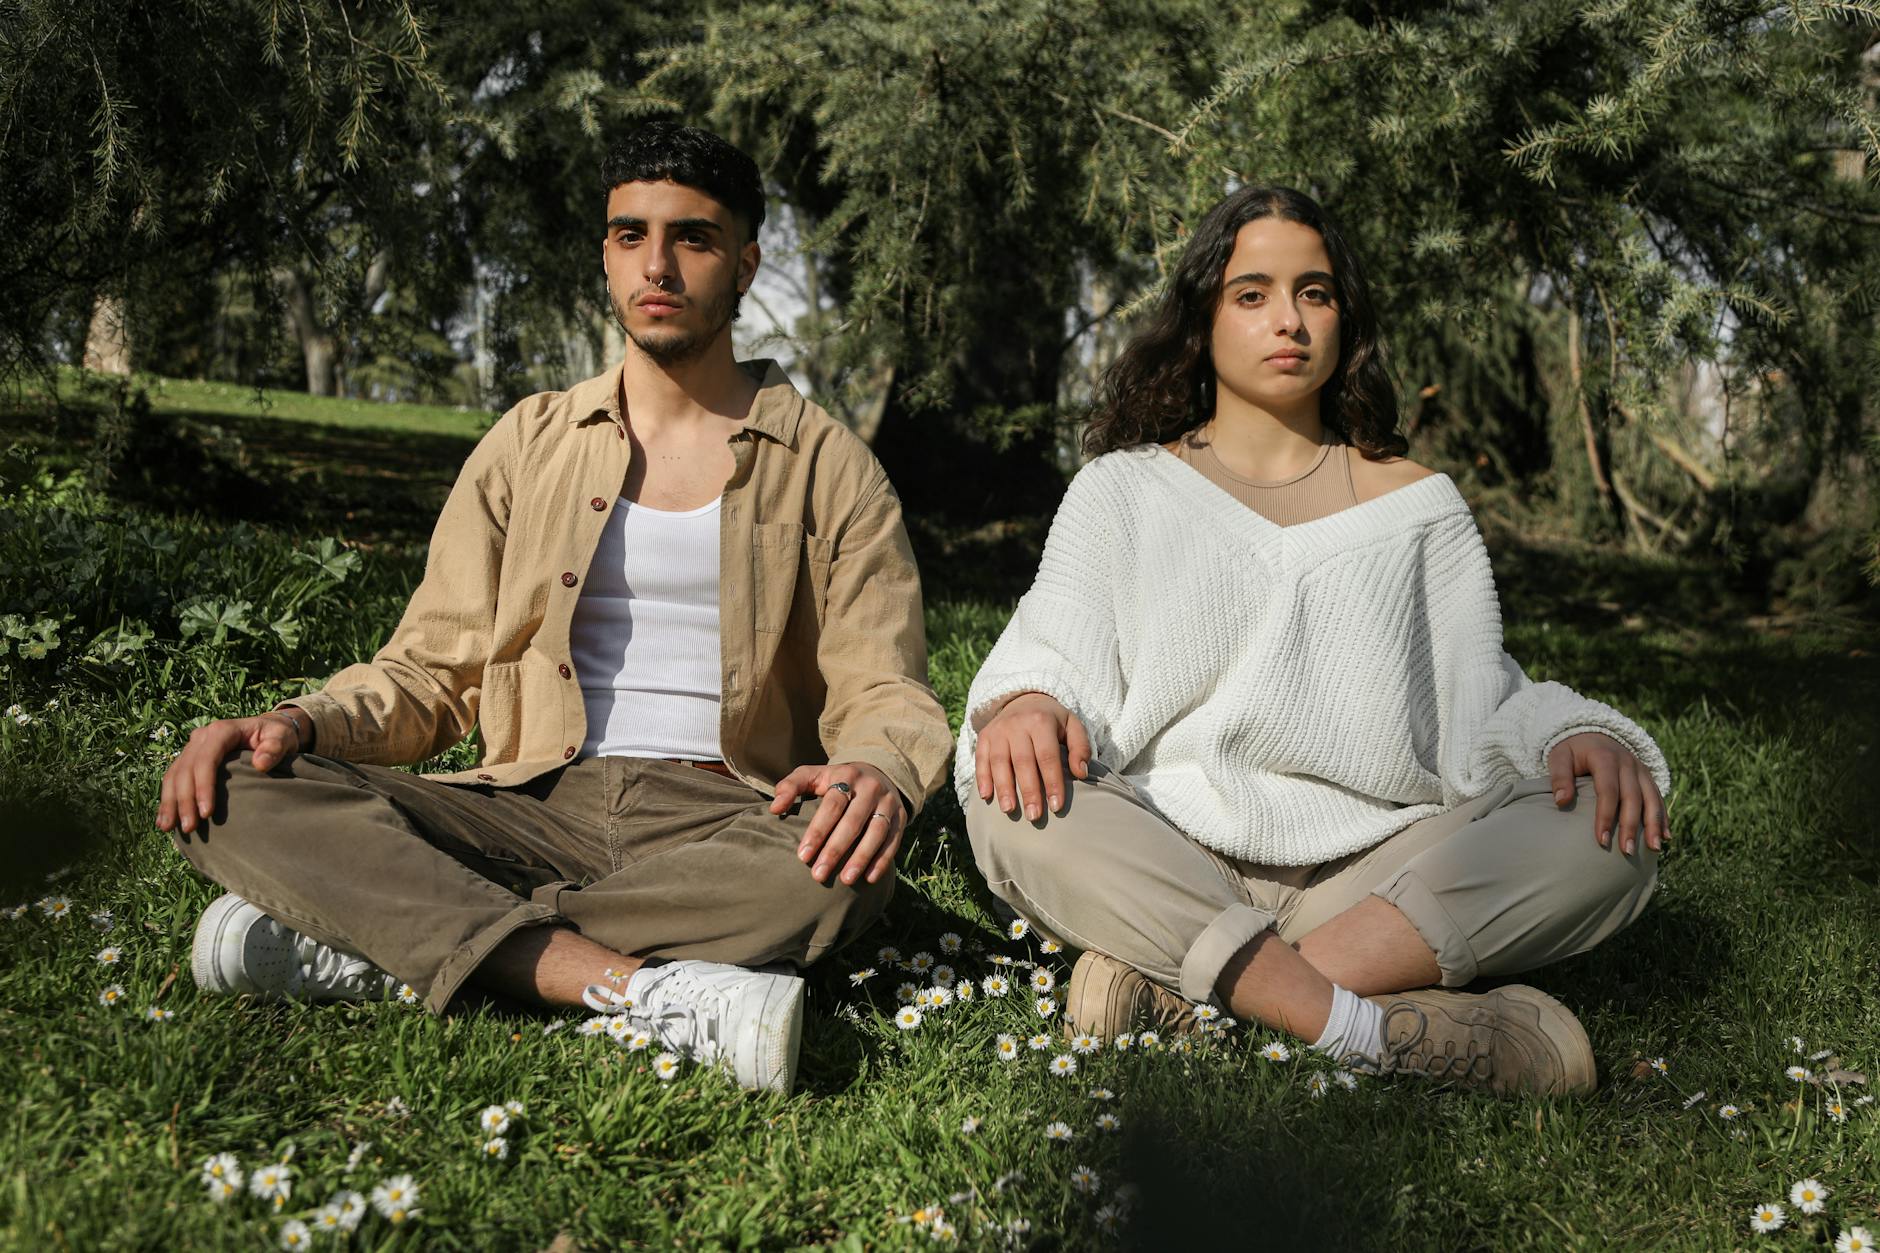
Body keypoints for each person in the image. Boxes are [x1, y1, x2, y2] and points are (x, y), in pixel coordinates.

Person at [158, 122, 951, 1094]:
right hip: (531, 799)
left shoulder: (827, 462)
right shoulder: (528, 439)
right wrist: (296, 719)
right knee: (237, 787)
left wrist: (875, 768)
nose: (656, 264)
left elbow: (881, 679)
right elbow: (430, 670)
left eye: (692, 238)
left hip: (720, 815)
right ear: (605, 253)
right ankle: (649, 992)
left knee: (836, 868)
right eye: (629, 235)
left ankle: (391, 933)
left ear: (744, 265)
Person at [957, 185, 1669, 1095]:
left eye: (1315, 293)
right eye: (1251, 293)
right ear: (1203, 317)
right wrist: (1026, 700)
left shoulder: (1418, 506)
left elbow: (1478, 704)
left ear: (1345, 320)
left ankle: (1190, 994)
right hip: (1172, 847)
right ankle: (1372, 1027)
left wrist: (1567, 735)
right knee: (1008, 792)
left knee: (1610, 829)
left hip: (1372, 875)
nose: (1287, 319)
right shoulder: (1121, 490)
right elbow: (1057, 643)